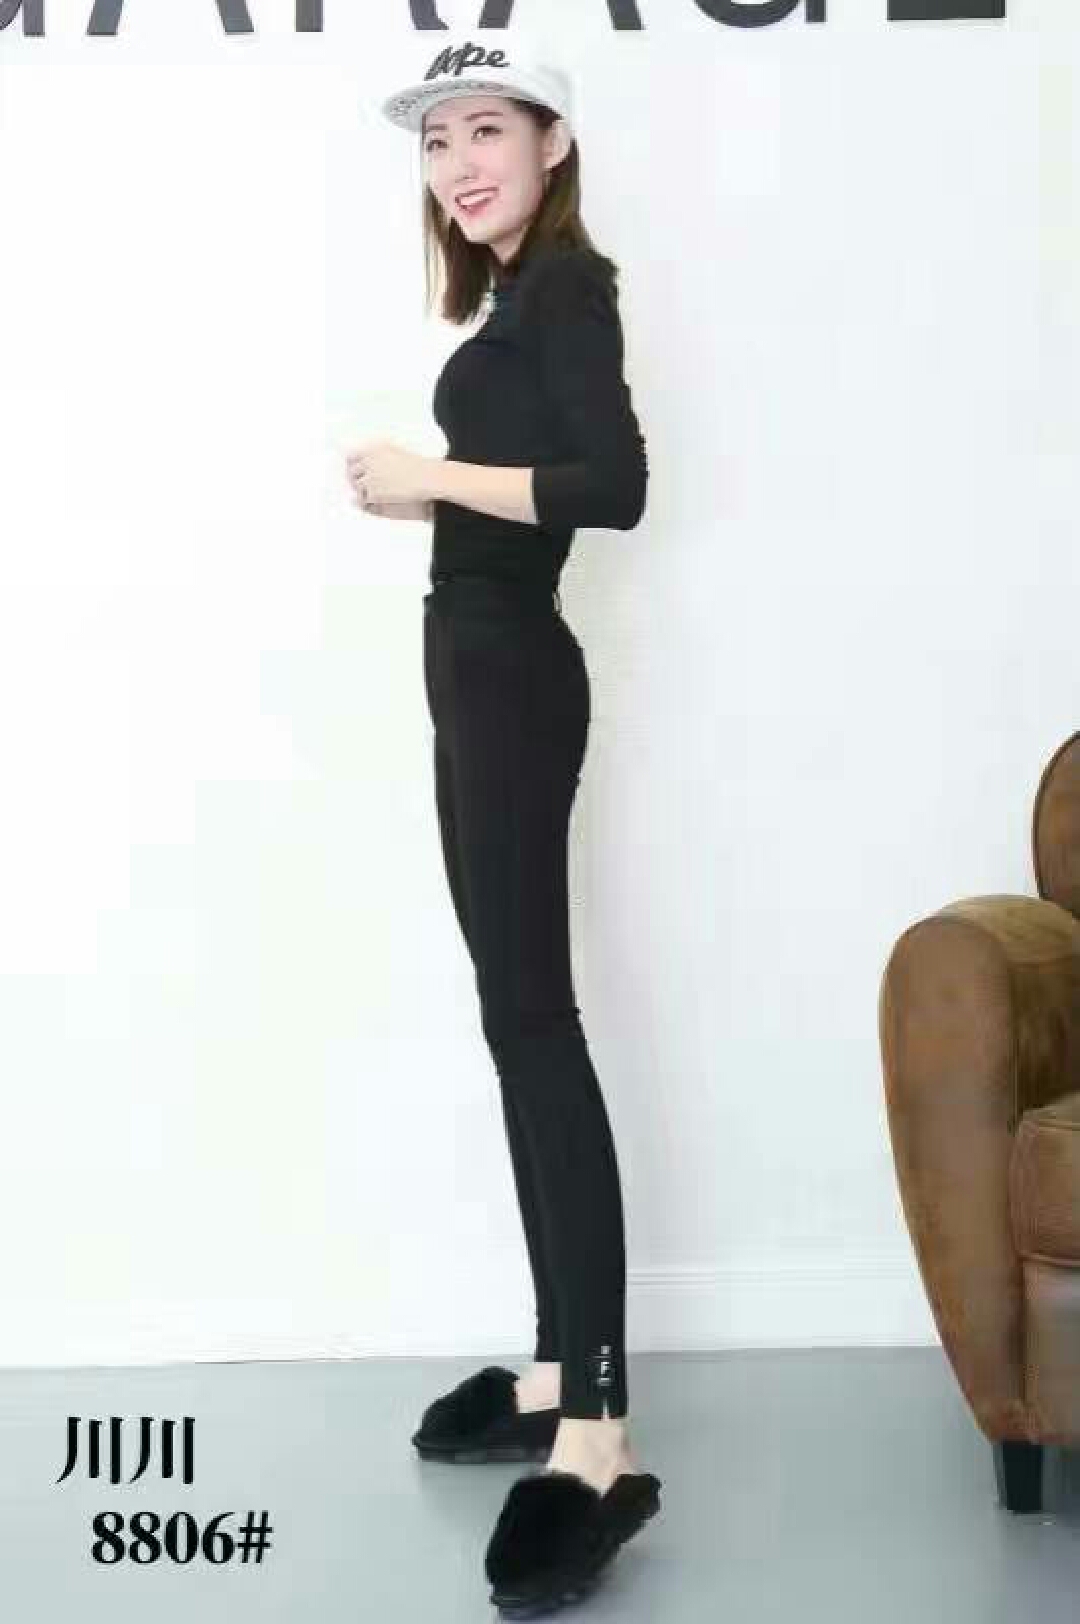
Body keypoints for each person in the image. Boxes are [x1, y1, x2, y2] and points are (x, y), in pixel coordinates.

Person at [347, 36, 662, 1613]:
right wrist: (437, 490)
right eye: (437, 141)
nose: (460, 163)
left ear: (552, 144)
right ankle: (556, 1369)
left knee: (540, 1028)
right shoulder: (515, 300)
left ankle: (597, 1433)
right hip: (470, 665)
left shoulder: (570, 287)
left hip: (515, 673)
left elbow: (615, 486)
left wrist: (433, 474)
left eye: (487, 130)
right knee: (512, 1019)